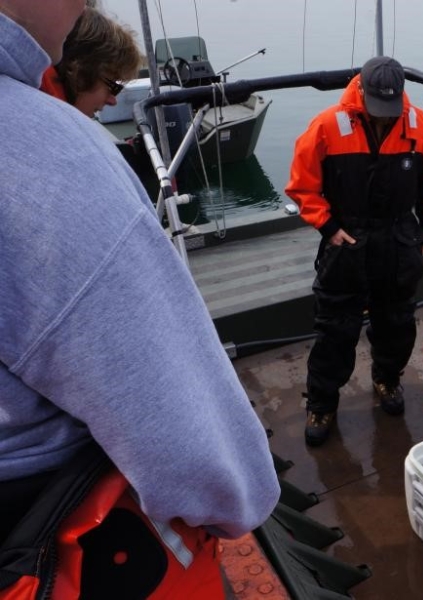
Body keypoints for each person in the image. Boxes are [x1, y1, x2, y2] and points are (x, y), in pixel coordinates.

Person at [0, 0, 279, 593]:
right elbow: (198, 454)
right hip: (50, 546)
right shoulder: (52, 163)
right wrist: (240, 496)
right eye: (110, 86)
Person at [285, 55, 423, 447]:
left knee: (397, 322)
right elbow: (301, 187)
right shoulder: (326, 126)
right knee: (335, 330)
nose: (384, 116)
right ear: (360, 91)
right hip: (348, 239)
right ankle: (322, 402)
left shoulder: (418, 125)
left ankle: (387, 379)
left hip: (399, 238)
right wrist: (328, 226)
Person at [39, 6, 142, 118]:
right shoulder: (43, 120)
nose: (112, 101)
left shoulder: (43, 107)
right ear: (81, 72)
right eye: (112, 87)